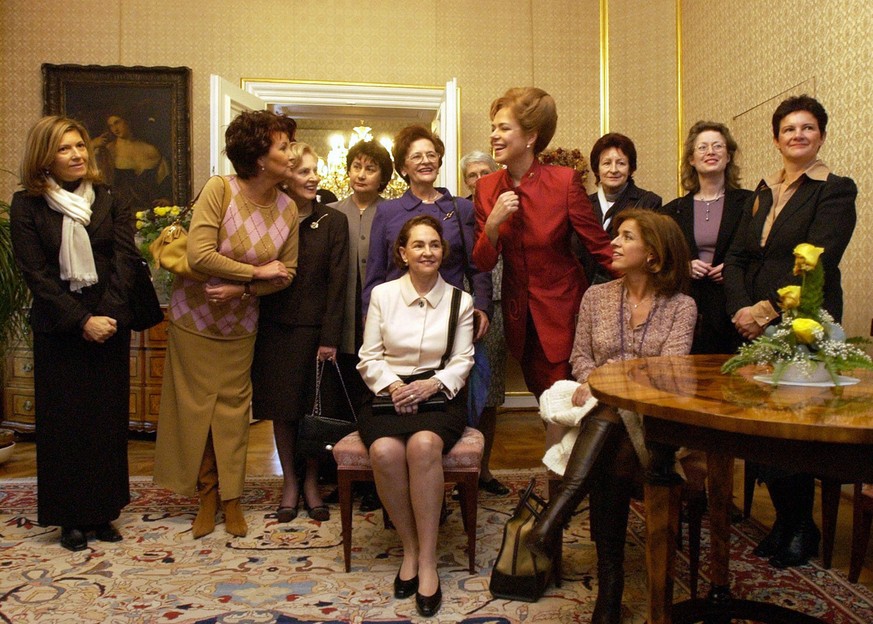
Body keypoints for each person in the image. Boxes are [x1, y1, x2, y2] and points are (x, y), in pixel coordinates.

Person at [526, 209, 697, 624]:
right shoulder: (596, 296)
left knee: (613, 427)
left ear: (653, 254)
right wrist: (598, 382)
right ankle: (610, 584)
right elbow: (580, 356)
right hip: (601, 418)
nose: (614, 243)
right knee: (612, 447)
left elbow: (668, 372)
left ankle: (561, 519)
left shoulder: (682, 306)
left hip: (654, 424)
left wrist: (610, 384)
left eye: (626, 237)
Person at [723, 95, 857, 568]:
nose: (798, 135)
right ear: (776, 138)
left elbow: (815, 261)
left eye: (808, 128)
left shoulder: (835, 190)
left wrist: (761, 310)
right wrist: (740, 307)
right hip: (754, 323)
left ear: (820, 134)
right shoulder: (762, 192)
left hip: (803, 323)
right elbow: (738, 256)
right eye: (789, 129)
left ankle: (801, 525)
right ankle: (786, 520)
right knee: (761, 428)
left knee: (791, 426)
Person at [10, 115, 154, 551]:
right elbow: (35, 272)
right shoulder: (26, 205)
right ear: (44, 157)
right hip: (60, 326)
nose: (76, 154)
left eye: (79, 146)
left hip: (109, 323)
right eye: (64, 148)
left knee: (107, 423)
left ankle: (103, 512)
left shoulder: (113, 197)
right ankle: (69, 518)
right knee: (64, 425)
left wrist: (106, 315)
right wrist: (81, 321)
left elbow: (127, 260)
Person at [153, 110, 299, 539]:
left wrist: (245, 292)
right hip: (192, 322)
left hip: (240, 326)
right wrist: (255, 274)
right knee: (195, 411)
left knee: (234, 416)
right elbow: (199, 255)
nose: (290, 153)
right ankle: (207, 497)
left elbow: (286, 272)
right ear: (258, 157)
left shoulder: (288, 208)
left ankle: (232, 499)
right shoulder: (220, 190)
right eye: (283, 146)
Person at [356, 214, 475, 618]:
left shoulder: (462, 300)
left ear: (444, 252)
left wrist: (430, 386)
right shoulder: (383, 296)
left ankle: (428, 561)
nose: (428, 252)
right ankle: (408, 549)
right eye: (419, 245)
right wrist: (393, 387)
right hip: (387, 392)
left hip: (440, 396)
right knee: (386, 452)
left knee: (424, 446)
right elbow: (369, 357)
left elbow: (463, 361)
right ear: (403, 253)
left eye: (435, 245)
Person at [472, 87, 615, 400]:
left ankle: (568, 451)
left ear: (530, 136)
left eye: (503, 128)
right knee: (545, 399)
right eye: (493, 128)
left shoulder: (564, 182)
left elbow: (600, 248)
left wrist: (649, 281)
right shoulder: (486, 188)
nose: (494, 135)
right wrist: (494, 223)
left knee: (566, 401)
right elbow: (482, 262)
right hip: (519, 318)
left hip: (564, 312)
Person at [251, 142, 349, 523]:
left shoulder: (332, 221)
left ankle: (311, 481)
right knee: (282, 408)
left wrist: (330, 337)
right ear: (285, 178)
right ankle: (289, 482)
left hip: (317, 333)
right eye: (303, 171)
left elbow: (338, 283)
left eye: (315, 171)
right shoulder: (270, 219)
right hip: (273, 330)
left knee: (313, 410)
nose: (313, 178)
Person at [362, 125, 491, 345]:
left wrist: (483, 308)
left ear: (439, 162)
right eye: (417, 156)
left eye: (431, 155)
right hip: (397, 321)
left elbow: (477, 266)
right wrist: (369, 317)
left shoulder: (461, 209)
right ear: (403, 167)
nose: (426, 161)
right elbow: (376, 272)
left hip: (450, 319)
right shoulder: (387, 212)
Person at [329, 139, 394, 512]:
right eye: (356, 166)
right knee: (346, 396)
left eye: (370, 168)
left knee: (377, 396)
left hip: (381, 320)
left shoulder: (393, 212)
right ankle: (343, 476)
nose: (361, 173)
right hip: (342, 322)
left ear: (383, 175)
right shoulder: (333, 212)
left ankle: (377, 481)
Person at [661, 121, 751, 354]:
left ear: (728, 156)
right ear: (691, 159)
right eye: (702, 147)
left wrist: (733, 269)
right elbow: (661, 258)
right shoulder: (673, 210)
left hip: (735, 306)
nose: (710, 152)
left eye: (717, 146)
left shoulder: (751, 203)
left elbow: (759, 252)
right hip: (691, 305)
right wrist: (684, 266)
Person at [459, 150, 508, 495]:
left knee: (489, 395)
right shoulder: (459, 212)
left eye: (484, 173)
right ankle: (457, 469)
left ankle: (483, 470)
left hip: (500, 308)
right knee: (457, 390)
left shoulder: (509, 207)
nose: (478, 180)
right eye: (471, 175)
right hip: (460, 309)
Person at [92, 111, 172, 210]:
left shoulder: (150, 150)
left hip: (149, 209)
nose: (115, 129)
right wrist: (93, 145)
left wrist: (166, 199)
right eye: (111, 126)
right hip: (120, 211)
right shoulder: (108, 151)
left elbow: (164, 180)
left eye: (117, 122)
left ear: (127, 121)